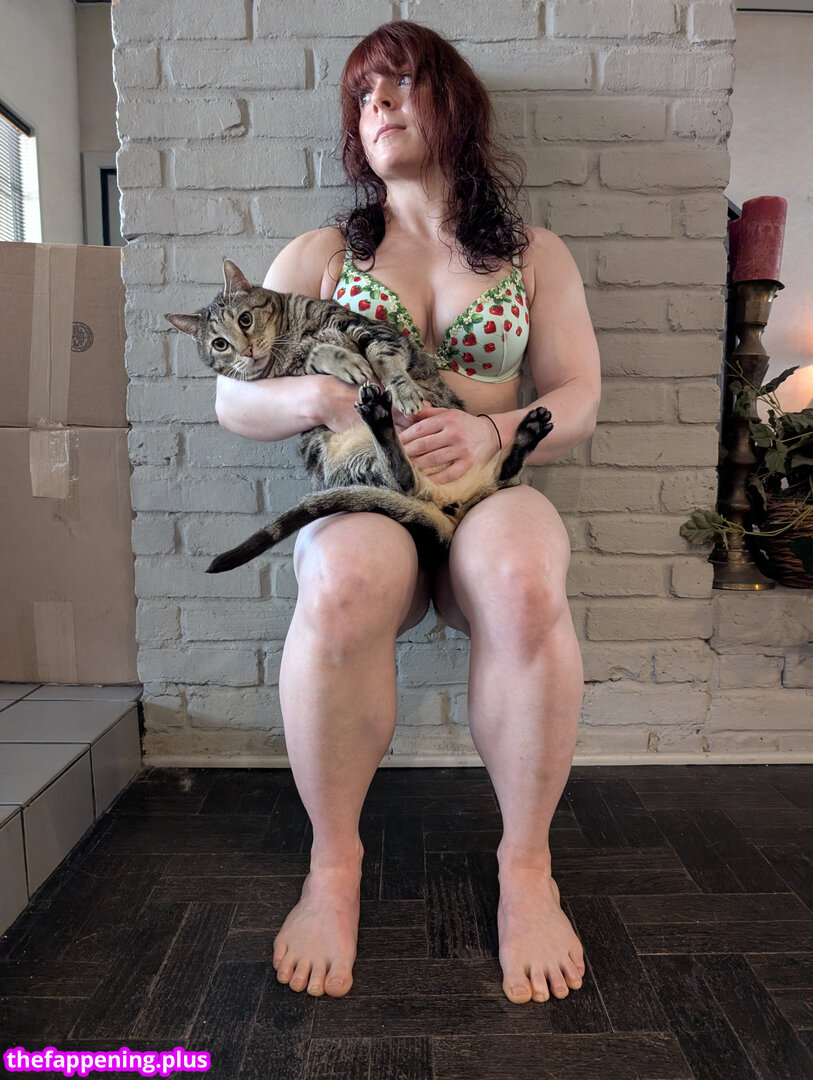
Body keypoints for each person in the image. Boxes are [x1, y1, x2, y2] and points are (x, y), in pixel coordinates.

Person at [215, 20, 601, 1004]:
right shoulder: (321, 255)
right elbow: (232, 401)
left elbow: (582, 398)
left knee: (523, 581)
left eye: (398, 83)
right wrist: (319, 396)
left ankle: (526, 868)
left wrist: (493, 429)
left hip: (489, 496)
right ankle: (332, 866)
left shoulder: (532, 255)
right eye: (361, 96)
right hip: (370, 499)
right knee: (340, 581)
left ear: (452, 101)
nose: (377, 104)